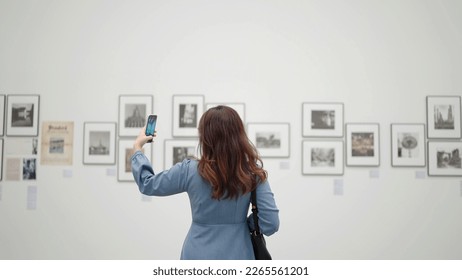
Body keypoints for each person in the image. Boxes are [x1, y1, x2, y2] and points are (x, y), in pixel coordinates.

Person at [131, 105, 279, 260]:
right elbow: (270, 223)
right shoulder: (252, 173)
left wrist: (137, 148)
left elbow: (147, 184)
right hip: (240, 253)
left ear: (205, 136)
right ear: (239, 134)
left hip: (197, 253)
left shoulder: (189, 170)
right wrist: (241, 226)